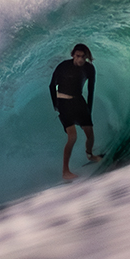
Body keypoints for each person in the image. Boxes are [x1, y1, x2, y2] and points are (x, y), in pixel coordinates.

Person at [50, 43, 103, 180]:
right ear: (73, 54)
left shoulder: (90, 69)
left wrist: (89, 110)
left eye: (83, 57)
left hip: (79, 101)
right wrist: (56, 105)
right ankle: (65, 172)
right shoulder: (63, 66)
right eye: (78, 56)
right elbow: (52, 86)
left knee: (90, 134)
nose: (80, 59)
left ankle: (90, 155)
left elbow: (91, 91)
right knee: (72, 137)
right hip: (64, 103)